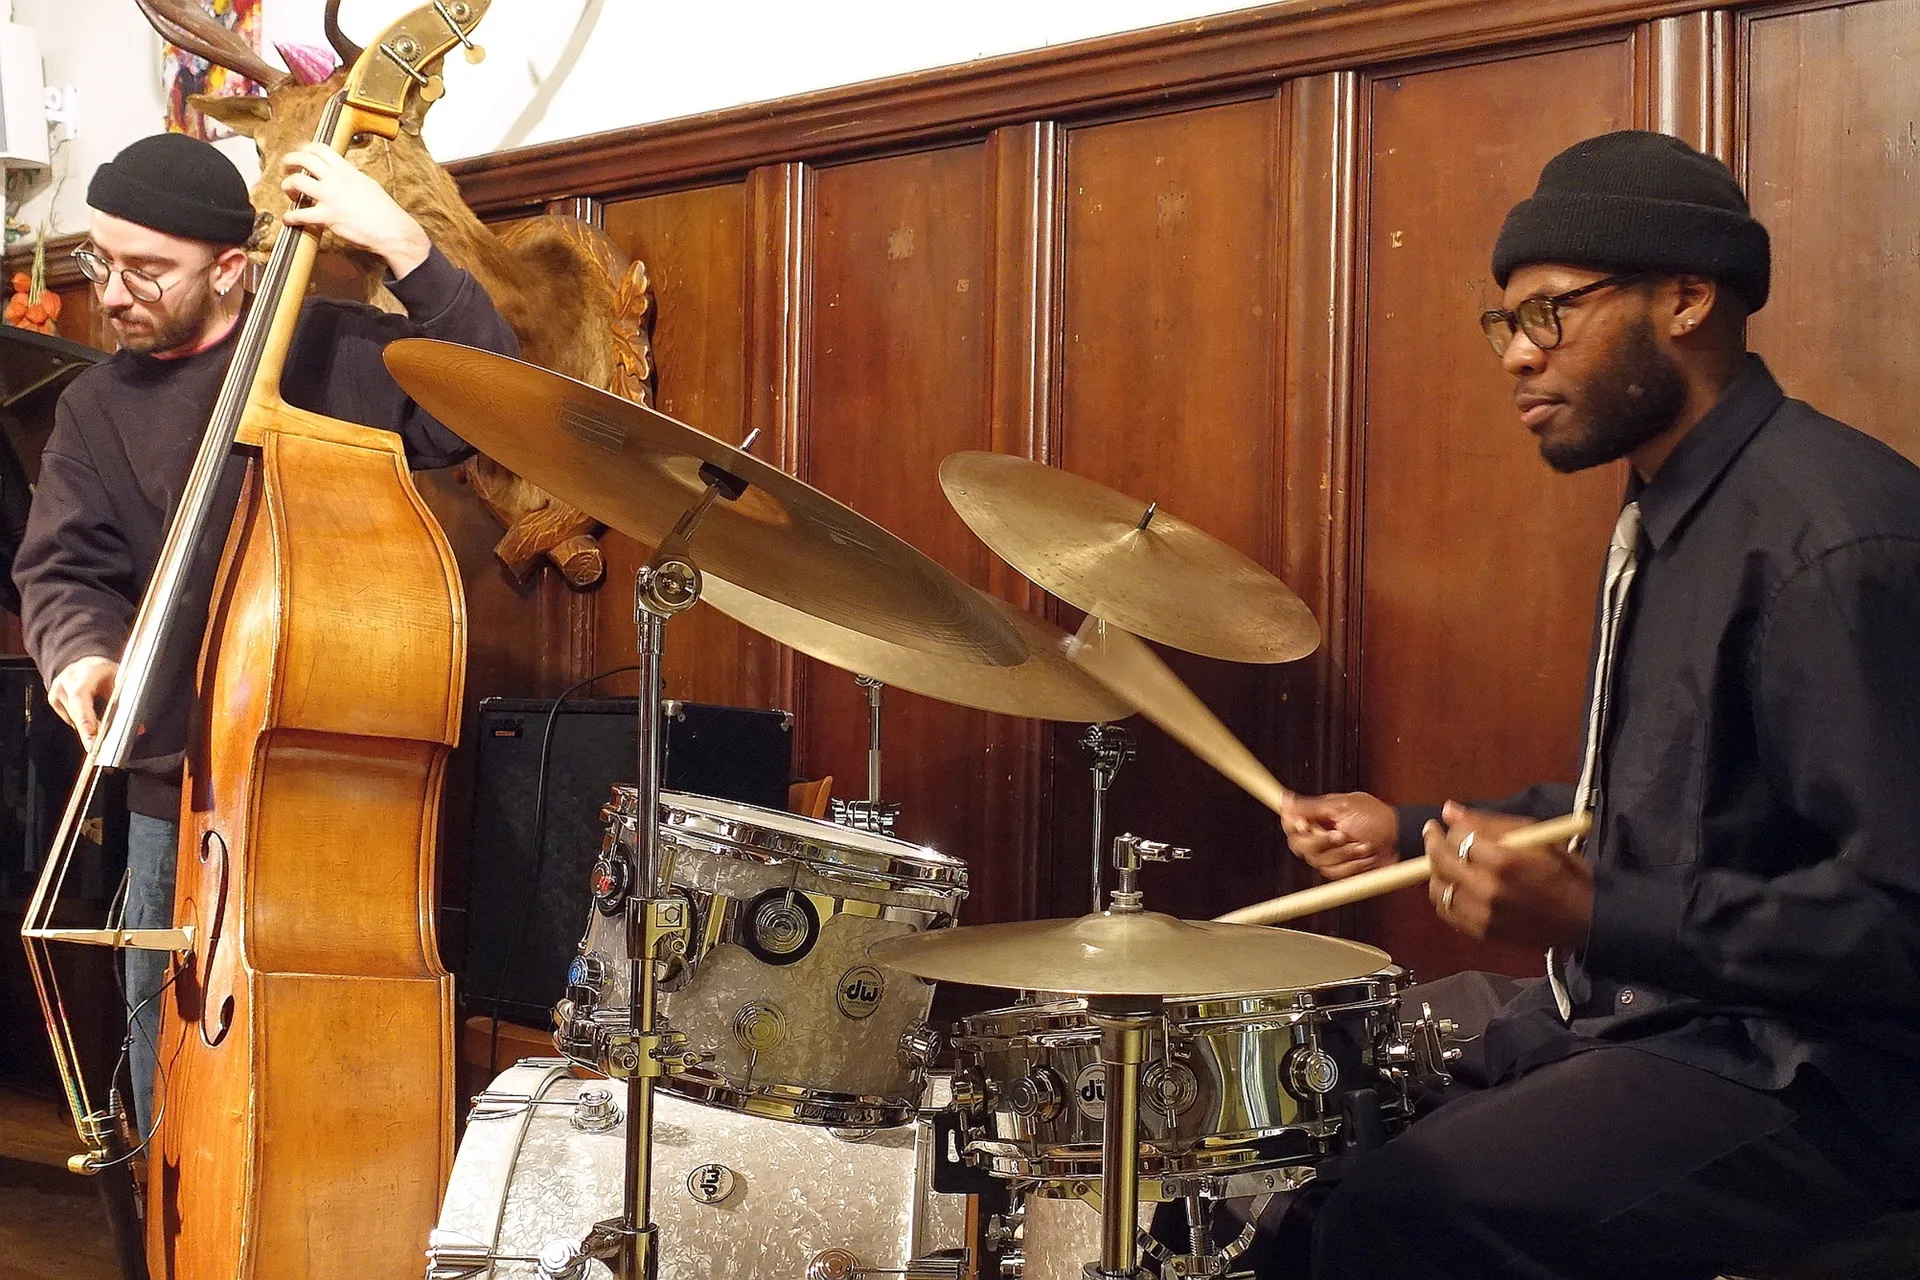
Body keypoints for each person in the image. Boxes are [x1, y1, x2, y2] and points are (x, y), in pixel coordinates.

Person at [1275, 131, 1920, 1278]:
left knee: (1403, 1212)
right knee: (1319, 1143)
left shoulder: (1829, 539)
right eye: (1505, 323)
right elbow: (1648, 805)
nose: (1518, 355)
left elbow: (1900, 918)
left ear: (1684, 297)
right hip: (1664, 1008)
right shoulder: (1672, 511)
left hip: (1816, 1068)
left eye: (1551, 313)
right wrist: (1413, 827)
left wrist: (1597, 912)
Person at [11, 131, 517, 1137]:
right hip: (177, 783)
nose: (112, 293)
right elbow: (62, 568)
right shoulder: (95, 407)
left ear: (231, 268)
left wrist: (407, 249)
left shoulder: (336, 352)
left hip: (335, 792)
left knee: (334, 1076)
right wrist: (82, 653)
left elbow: (494, 406)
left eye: (147, 270)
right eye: (101, 262)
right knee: (168, 1069)